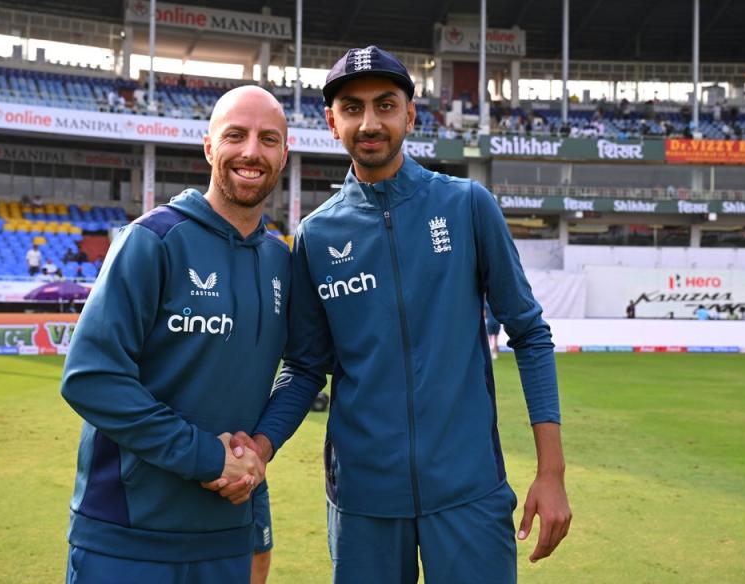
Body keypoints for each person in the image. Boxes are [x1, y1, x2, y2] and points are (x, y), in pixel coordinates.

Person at [221, 46, 571, 583]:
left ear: (409, 115)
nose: (369, 122)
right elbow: (306, 367)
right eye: (353, 108)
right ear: (331, 122)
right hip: (363, 501)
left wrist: (552, 472)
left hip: (468, 491)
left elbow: (529, 333)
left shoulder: (467, 205)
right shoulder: (316, 235)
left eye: (385, 105)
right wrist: (261, 446)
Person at [59, 84, 291, 583]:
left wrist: (262, 448)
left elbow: (306, 366)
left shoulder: (281, 262)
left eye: (268, 139)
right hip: (126, 537)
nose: (252, 152)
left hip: (227, 536)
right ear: (209, 147)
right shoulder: (152, 240)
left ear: (284, 153)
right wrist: (208, 457)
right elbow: (90, 377)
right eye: (236, 135)